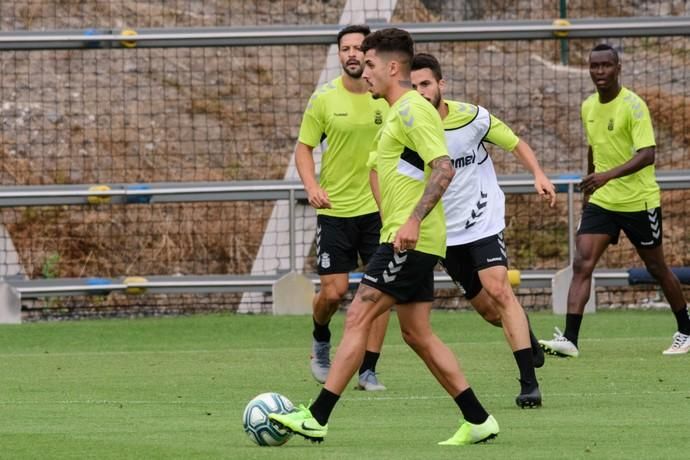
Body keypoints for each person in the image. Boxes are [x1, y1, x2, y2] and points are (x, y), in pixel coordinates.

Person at [270, 27, 499, 446]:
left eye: (371, 63)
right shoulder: (397, 111)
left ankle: (317, 417)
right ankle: (478, 419)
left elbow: (443, 168)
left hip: (410, 240)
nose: (365, 70)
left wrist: (410, 221)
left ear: (393, 67)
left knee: (358, 315)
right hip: (405, 237)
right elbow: (394, 171)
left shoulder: (412, 109)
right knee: (417, 335)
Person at [410, 53, 557, 408]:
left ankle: (529, 384)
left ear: (440, 84)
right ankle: (528, 338)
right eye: (413, 87)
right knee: (490, 311)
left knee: (499, 289)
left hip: (483, 217)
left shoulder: (472, 118)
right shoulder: (409, 128)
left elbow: (515, 142)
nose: (421, 92)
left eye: (426, 84)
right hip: (445, 231)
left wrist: (538, 174)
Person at [539, 44, 690, 357]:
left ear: (618, 68)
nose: (600, 72)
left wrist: (606, 176)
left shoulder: (633, 106)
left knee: (657, 267)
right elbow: (594, 149)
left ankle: (685, 329)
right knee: (582, 262)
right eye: (594, 66)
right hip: (604, 202)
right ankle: (570, 340)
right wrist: (591, 189)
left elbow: (648, 154)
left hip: (639, 201)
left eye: (606, 66)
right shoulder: (588, 107)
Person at [296, 25, 391, 390]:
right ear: (339, 55)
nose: (351, 54)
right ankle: (320, 340)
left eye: (358, 48)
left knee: (378, 292)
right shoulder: (323, 99)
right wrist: (312, 186)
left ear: (370, 55)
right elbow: (304, 148)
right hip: (335, 210)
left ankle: (368, 369)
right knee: (333, 292)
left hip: (378, 211)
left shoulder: (383, 97)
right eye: (345, 48)